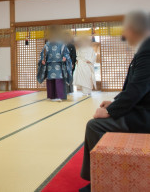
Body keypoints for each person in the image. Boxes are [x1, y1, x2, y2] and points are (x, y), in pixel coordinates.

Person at [79, 11, 150, 192]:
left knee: (94, 125)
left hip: (146, 114)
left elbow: (137, 90)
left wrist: (111, 111)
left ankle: (100, 178)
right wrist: (114, 102)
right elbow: (135, 87)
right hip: (142, 106)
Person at [39, 26, 73, 101]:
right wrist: (42, 60)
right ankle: (51, 96)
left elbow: (66, 53)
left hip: (59, 64)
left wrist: (65, 57)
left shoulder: (62, 44)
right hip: (49, 65)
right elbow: (43, 54)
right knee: (50, 81)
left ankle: (59, 96)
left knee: (58, 80)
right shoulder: (47, 45)